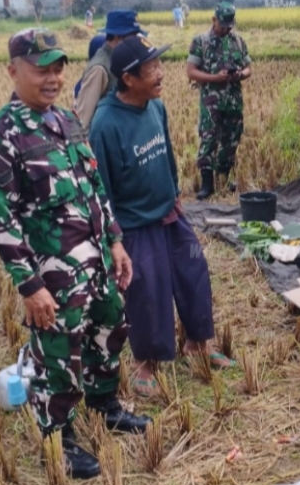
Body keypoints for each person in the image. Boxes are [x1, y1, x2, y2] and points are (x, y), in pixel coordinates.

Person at [0, 28, 151, 480]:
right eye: (39, 69)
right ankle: (58, 437)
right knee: (59, 352)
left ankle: (106, 405)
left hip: (97, 260)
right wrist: (30, 287)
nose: (51, 78)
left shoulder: (66, 122)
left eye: (56, 69)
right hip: (52, 273)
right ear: (13, 71)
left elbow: (94, 187)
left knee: (112, 327)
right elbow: (0, 220)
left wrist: (115, 241)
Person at [89, 36, 235, 399]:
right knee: (147, 292)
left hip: (169, 213)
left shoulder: (156, 108)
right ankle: (145, 364)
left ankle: (198, 343)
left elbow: (167, 155)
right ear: (128, 78)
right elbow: (99, 188)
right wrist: (114, 238)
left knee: (193, 271)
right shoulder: (105, 125)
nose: (160, 73)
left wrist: (174, 193)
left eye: (158, 64)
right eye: (151, 68)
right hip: (135, 224)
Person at [187, 2, 253, 199]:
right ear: (213, 20)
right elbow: (191, 72)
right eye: (222, 24)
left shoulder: (238, 41)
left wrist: (240, 74)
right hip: (211, 102)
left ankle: (224, 177)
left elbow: (249, 68)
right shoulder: (201, 41)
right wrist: (215, 78)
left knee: (231, 139)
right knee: (209, 139)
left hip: (233, 100)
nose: (225, 29)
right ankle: (207, 184)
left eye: (229, 25)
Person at [73, 9, 145, 131]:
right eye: (133, 36)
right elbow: (82, 118)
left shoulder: (121, 58)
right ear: (119, 37)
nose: (135, 42)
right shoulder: (100, 68)